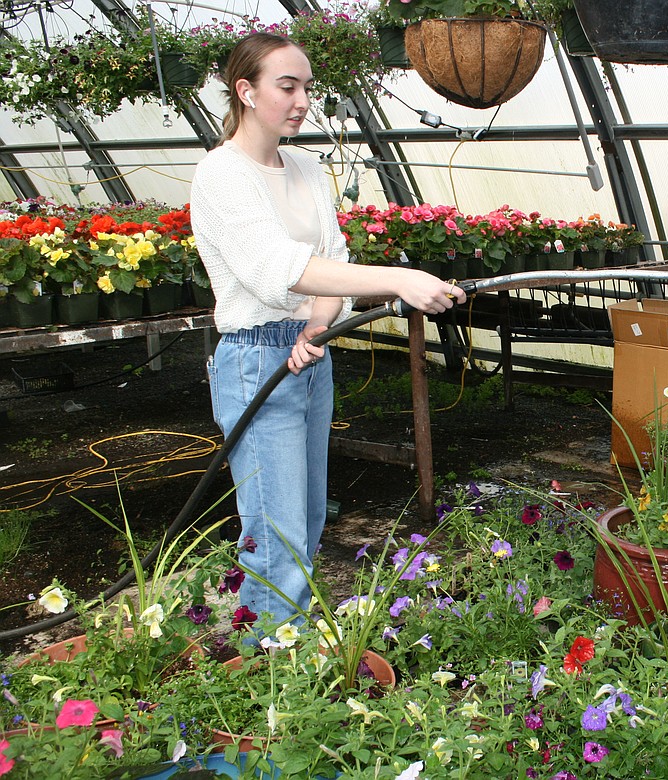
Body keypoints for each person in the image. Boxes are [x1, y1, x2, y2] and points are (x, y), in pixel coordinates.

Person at [190, 32, 465, 631]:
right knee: (276, 529)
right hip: (255, 361)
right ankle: (270, 668)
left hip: (308, 355)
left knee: (308, 519)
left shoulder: (306, 167)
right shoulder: (222, 175)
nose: (301, 100)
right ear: (246, 90)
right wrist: (398, 277)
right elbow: (273, 272)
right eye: (286, 86)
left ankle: (283, 656)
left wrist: (317, 326)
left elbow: (330, 261)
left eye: (307, 88)